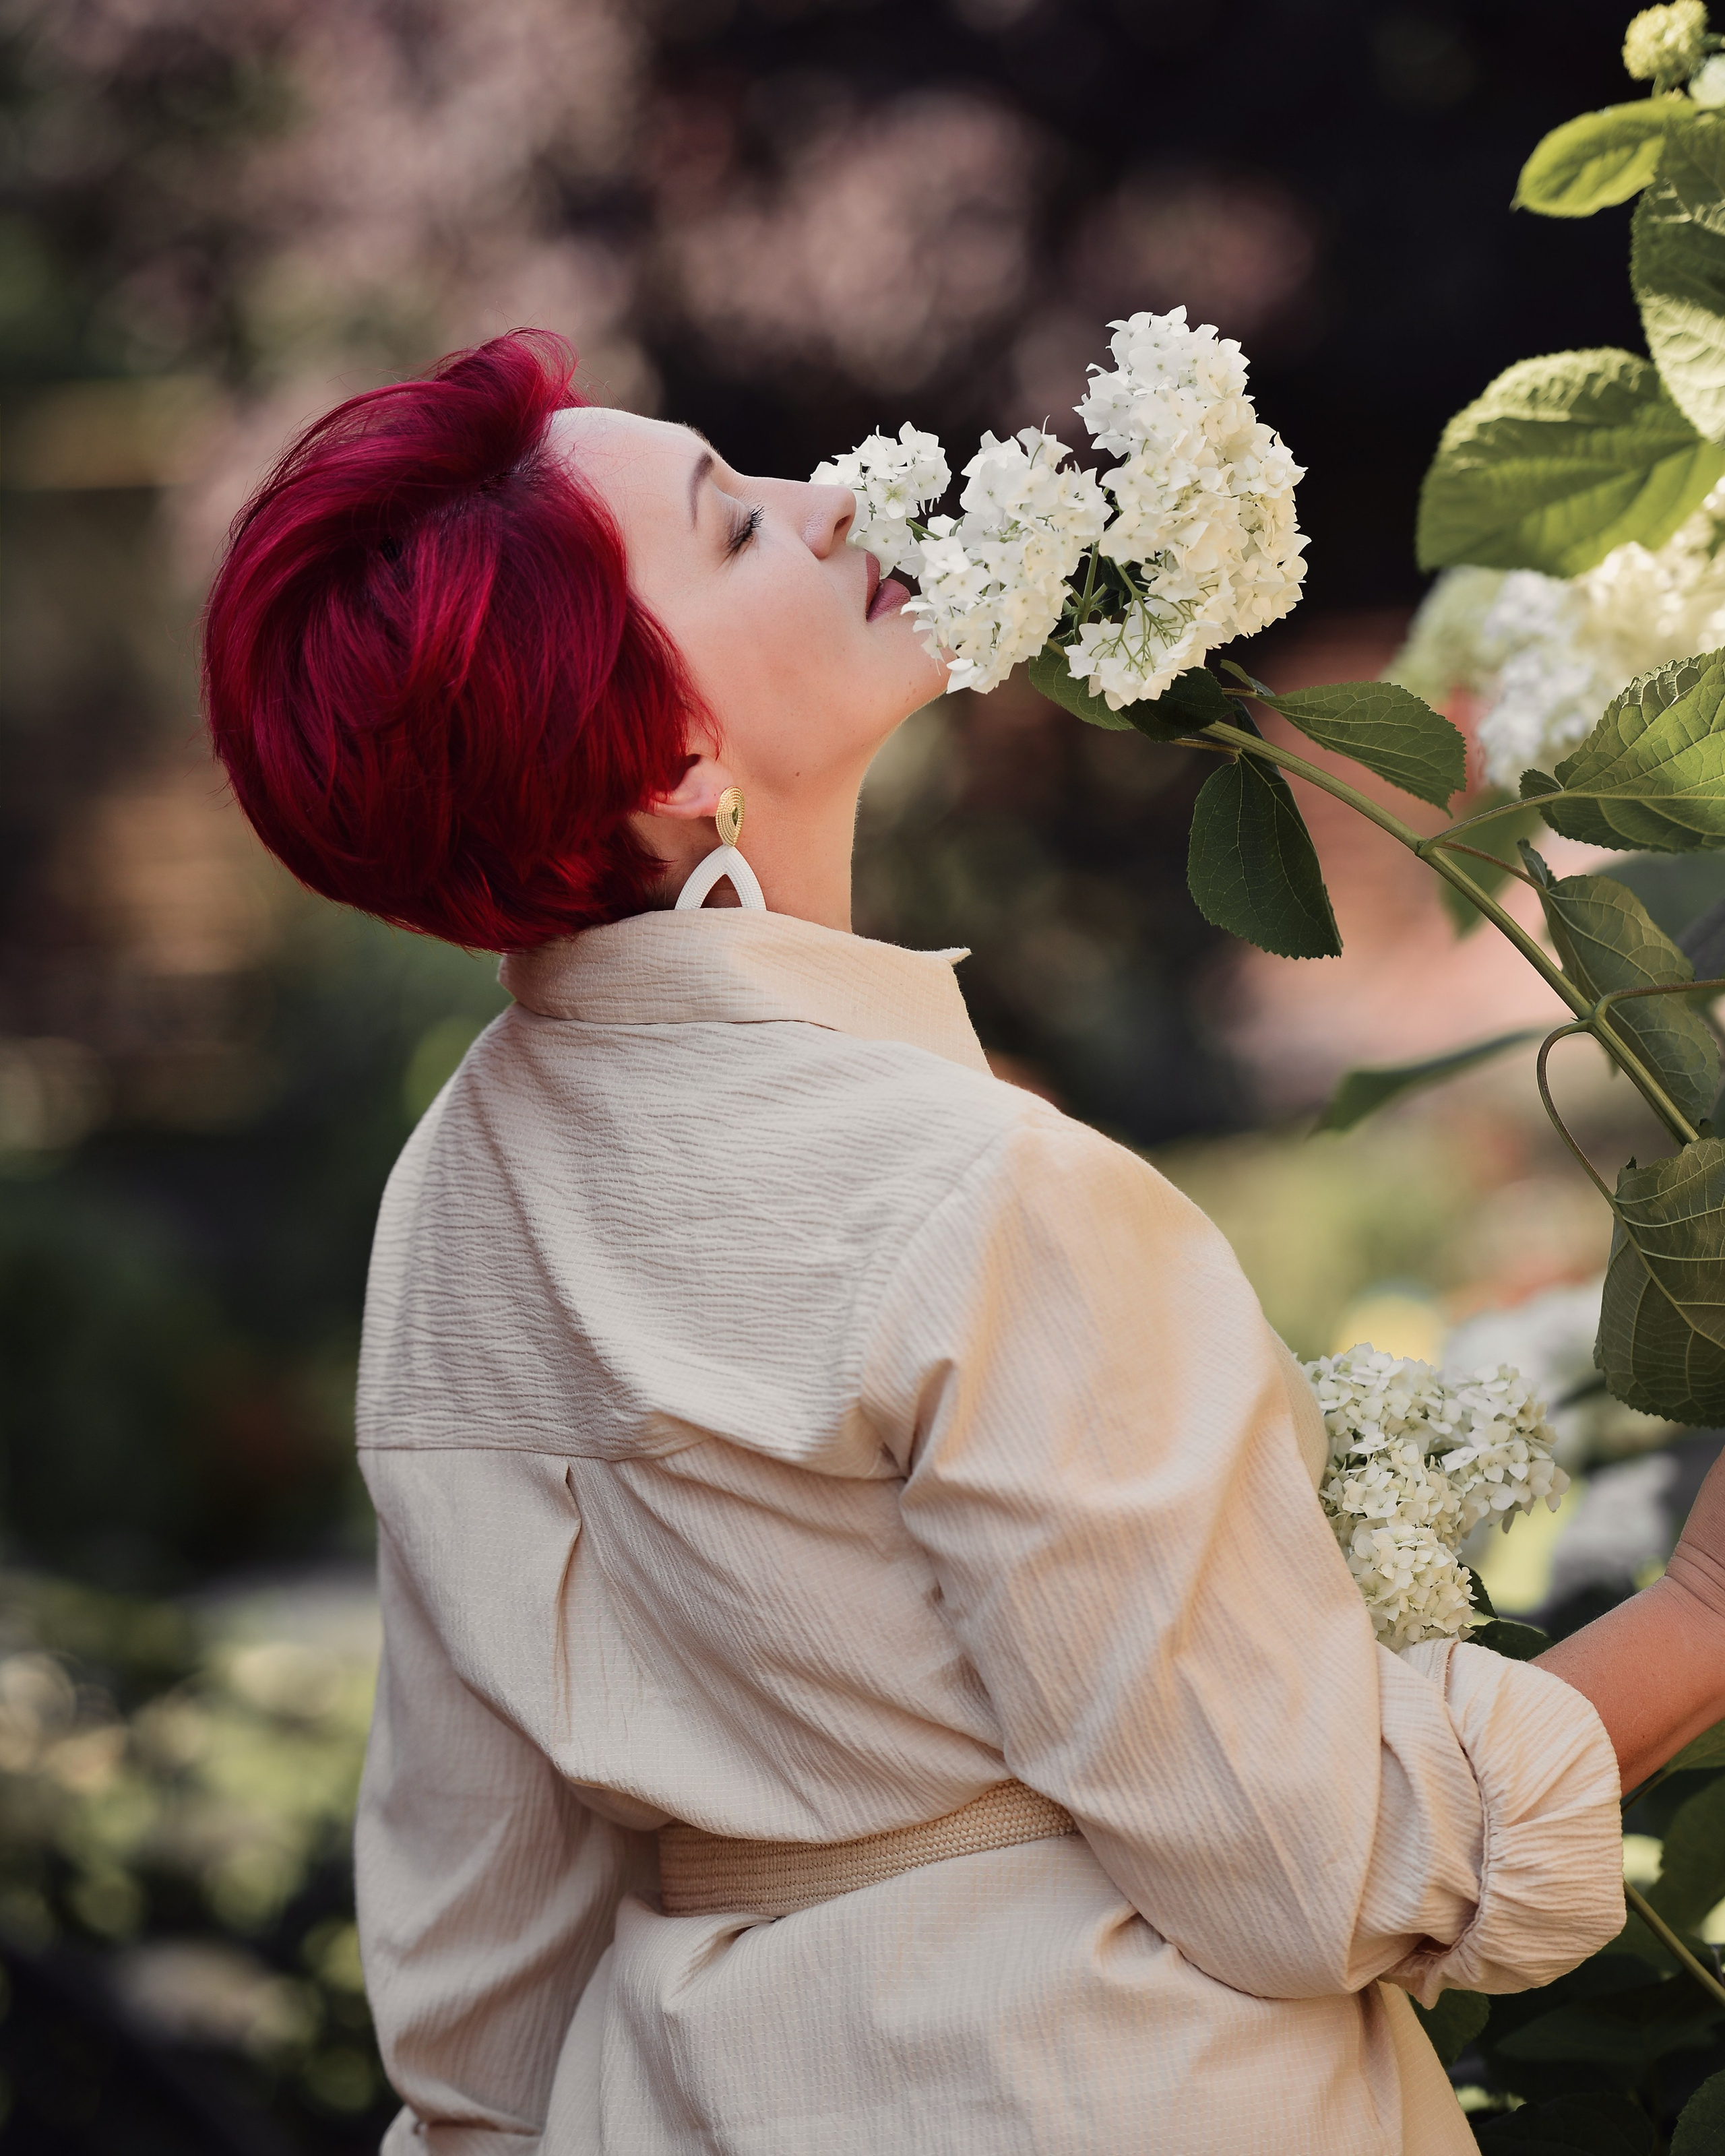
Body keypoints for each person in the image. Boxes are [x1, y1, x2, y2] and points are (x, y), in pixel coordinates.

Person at [203, 331, 1725, 2156]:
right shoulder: (988, 1196)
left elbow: (476, 1965)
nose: (831, 493)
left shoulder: (455, 1196)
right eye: (738, 527)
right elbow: (1317, 1861)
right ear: (678, 749)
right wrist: (1703, 1610)